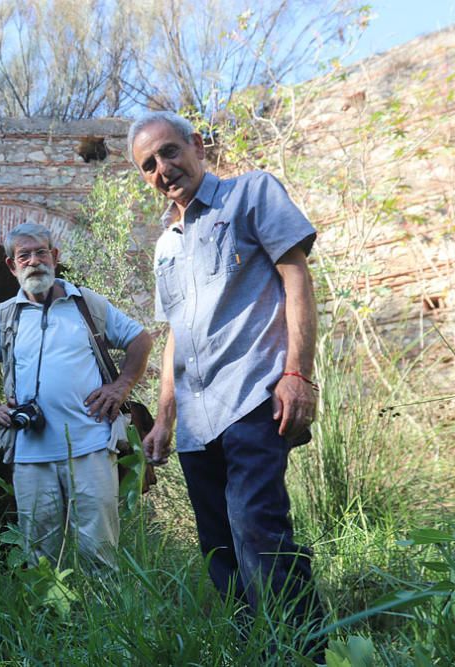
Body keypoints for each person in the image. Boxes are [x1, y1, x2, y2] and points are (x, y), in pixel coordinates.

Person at [128, 111, 324, 634]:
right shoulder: (165, 245)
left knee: (256, 528)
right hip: (195, 420)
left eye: (169, 151)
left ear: (195, 144)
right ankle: (252, 644)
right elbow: (176, 333)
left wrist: (298, 375)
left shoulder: (251, 193)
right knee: (219, 547)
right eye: (149, 165)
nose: (163, 169)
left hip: (253, 397)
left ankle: (301, 647)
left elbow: (296, 279)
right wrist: (164, 419)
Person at [0, 222, 151, 568]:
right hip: (30, 455)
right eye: (24, 255)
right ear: (12, 266)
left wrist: (120, 386)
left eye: (41, 252)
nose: (34, 261)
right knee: (41, 557)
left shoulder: (86, 304)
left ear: (55, 257)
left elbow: (140, 340)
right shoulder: (6, 316)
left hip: (92, 447)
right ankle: (51, 621)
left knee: (99, 553)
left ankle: (104, 621)